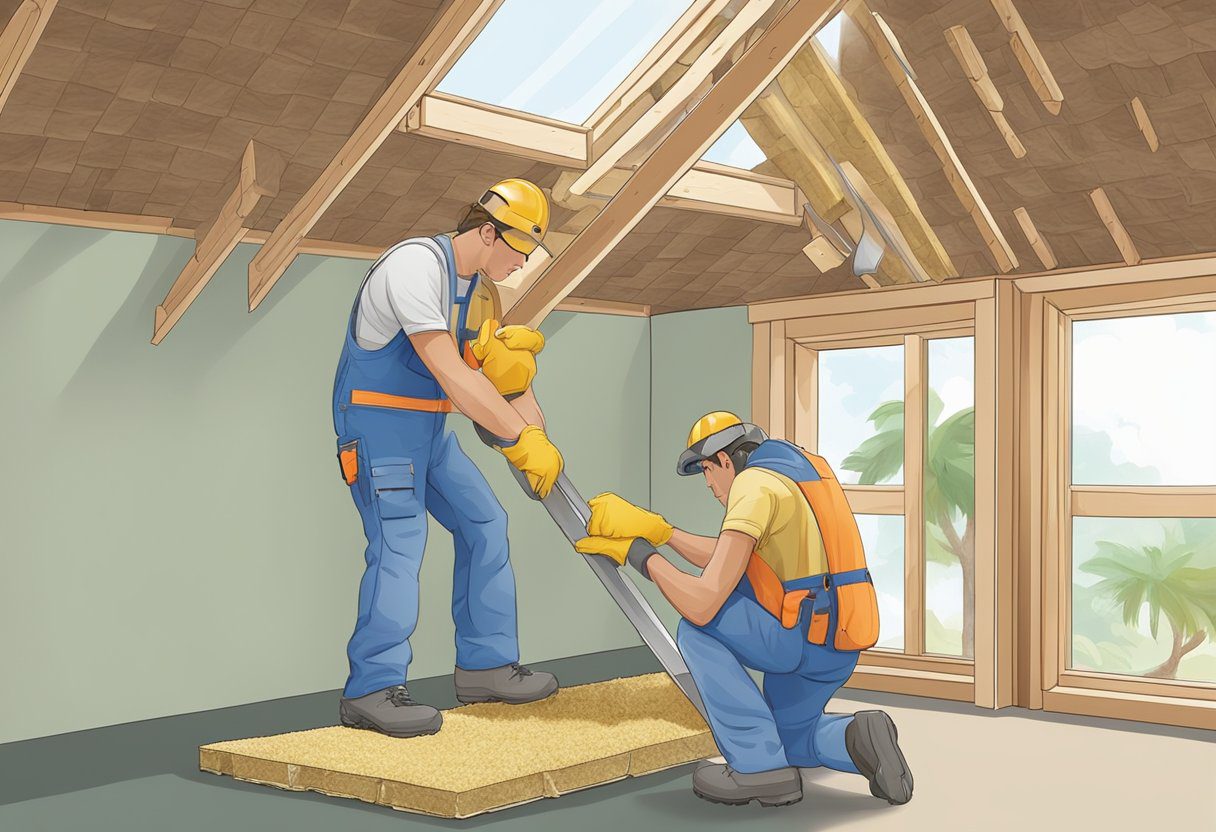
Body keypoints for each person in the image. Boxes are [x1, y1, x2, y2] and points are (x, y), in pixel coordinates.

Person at [575, 411, 913, 807]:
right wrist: (661, 532)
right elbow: (733, 559)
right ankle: (859, 738)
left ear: (725, 459)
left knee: (697, 629)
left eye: (706, 469)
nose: (708, 483)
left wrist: (640, 556)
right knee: (793, 739)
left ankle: (758, 768)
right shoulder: (792, 474)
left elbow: (703, 603)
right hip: (838, 639)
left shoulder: (752, 486)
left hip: (798, 639)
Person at [331, 179, 565, 738]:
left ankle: (486, 665)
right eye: (518, 249)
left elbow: (494, 382)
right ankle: (372, 688)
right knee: (400, 543)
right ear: (487, 231)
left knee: (486, 522)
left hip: (430, 431)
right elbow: (451, 372)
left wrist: (536, 432)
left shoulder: (484, 294)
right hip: (379, 427)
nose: (520, 263)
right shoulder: (414, 267)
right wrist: (515, 438)